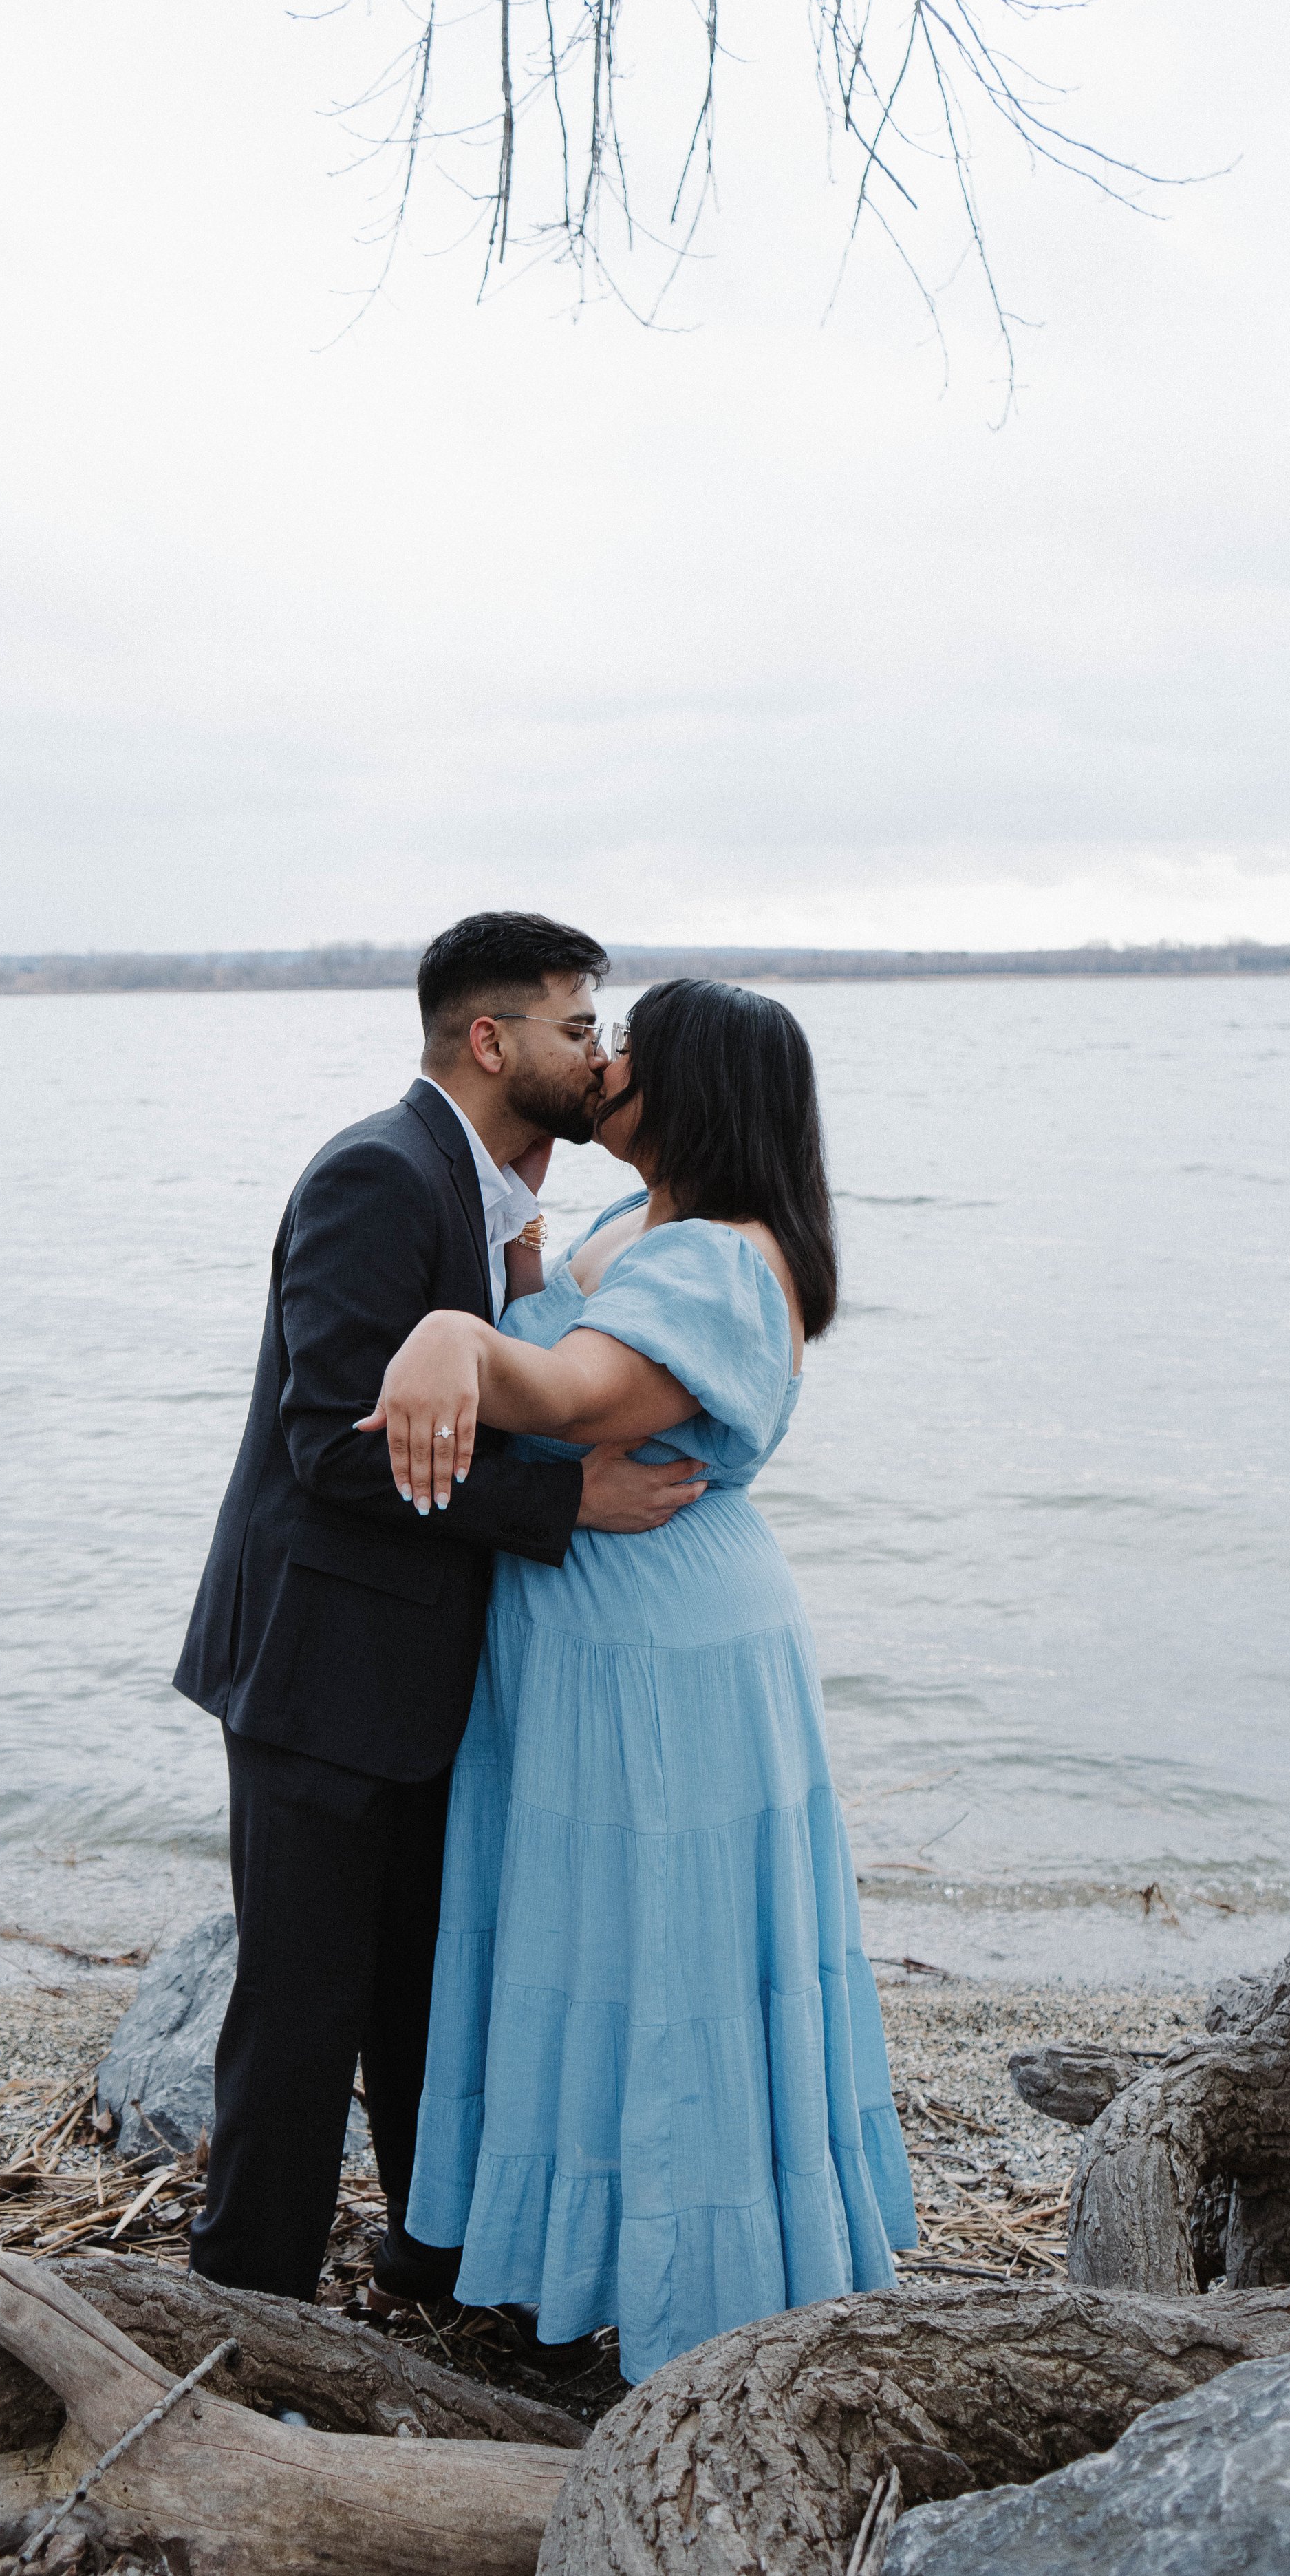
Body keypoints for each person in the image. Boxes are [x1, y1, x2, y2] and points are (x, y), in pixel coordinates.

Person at [358, 977, 918, 2382]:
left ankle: (685, 2318)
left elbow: (572, 1401)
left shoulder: (723, 1262)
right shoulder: (637, 1227)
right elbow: (550, 1304)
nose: (601, 1063)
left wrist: (450, 1339)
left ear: (692, 1088)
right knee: (590, 1947)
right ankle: (577, 2270)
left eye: (625, 1049)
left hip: (660, 1646)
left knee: (664, 1957)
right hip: (587, 1636)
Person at [173, 913, 708, 2310]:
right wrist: (560, 1506)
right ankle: (246, 2311)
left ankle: (432, 2261)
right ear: (490, 1040)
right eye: (576, 1028)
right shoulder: (377, 1173)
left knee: (423, 1996)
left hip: (416, 1676)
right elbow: (332, 1444)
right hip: (319, 1671)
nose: (597, 1057)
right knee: (300, 2016)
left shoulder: (490, 1199)